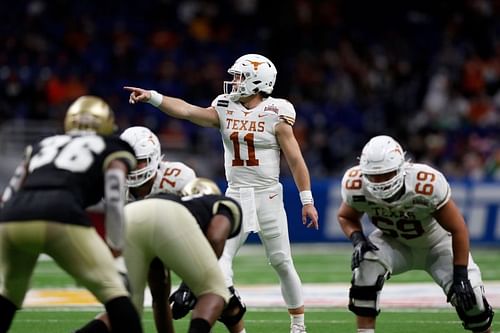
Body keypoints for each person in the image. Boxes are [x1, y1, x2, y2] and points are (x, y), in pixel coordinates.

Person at [124, 53, 319, 333]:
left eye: (240, 76)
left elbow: (296, 160)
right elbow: (188, 111)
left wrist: (306, 200)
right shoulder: (225, 106)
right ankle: (236, 323)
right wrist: (154, 97)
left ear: (257, 81)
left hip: (268, 196)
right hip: (236, 195)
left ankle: (298, 326)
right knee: (220, 260)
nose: (234, 81)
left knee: (282, 261)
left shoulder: (277, 112)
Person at [0, 96, 143, 333]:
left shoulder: (42, 144)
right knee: (116, 291)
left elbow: (10, 192)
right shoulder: (112, 147)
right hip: (61, 213)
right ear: (106, 123)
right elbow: (115, 194)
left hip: (12, 217)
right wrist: (116, 245)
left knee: (8, 295)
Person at [337, 135, 494, 333]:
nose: (380, 181)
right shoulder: (356, 184)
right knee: (366, 265)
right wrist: (357, 239)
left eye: (386, 174)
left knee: (472, 300)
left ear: (401, 168)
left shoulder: (425, 183)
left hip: (436, 244)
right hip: (394, 242)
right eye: (373, 176)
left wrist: (460, 274)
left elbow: (458, 228)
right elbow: (345, 216)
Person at [124, 177, 243, 333]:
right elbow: (215, 238)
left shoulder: (172, 199)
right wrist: (189, 286)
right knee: (216, 291)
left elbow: (160, 300)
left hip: (130, 215)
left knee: (127, 307)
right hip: (167, 219)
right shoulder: (222, 204)